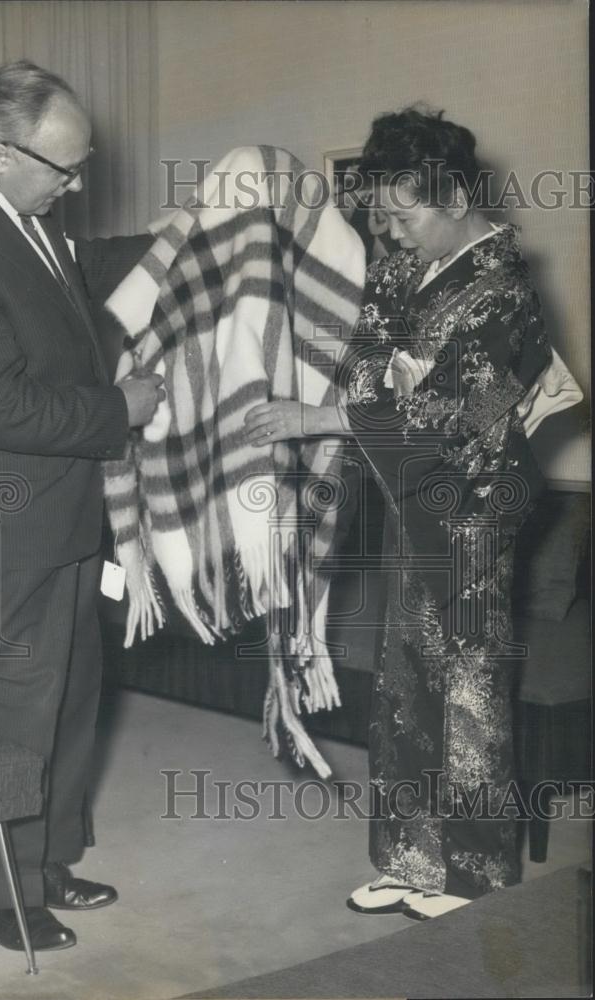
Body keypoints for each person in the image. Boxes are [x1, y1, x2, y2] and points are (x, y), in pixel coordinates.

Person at [245, 107, 552, 919]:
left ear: (454, 197)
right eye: (382, 215)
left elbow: (456, 409)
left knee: (470, 690)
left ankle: (474, 874)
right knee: (403, 684)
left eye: (405, 215)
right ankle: (409, 859)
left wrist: (319, 418)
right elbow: (369, 360)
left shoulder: (505, 290)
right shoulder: (407, 266)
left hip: (476, 512)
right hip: (408, 496)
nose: (393, 233)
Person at [0, 61, 164, 953]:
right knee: (9, 713)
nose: (77, 183)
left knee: (70, 698)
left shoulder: (23, 212)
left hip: (57, 510)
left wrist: (174, 248)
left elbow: (67, 321)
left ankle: (48, 864)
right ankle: (2, 897)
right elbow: (2, 408)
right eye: (63, 167)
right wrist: (119, 410)